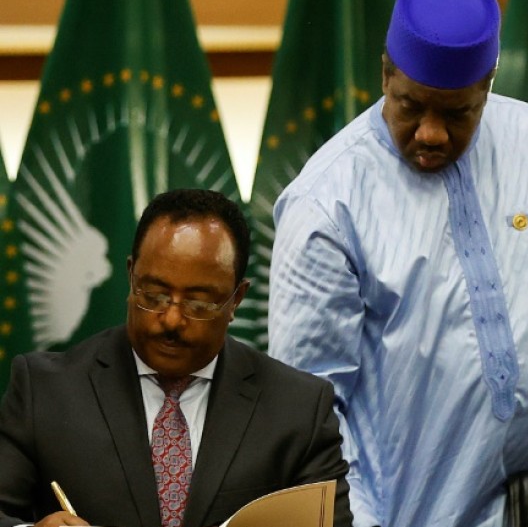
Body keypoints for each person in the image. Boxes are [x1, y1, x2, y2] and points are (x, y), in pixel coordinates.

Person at [266, 0, 528, 525]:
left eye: (458, 113)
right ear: (385, 74)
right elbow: (312, 405)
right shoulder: (327, 201)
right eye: (410, 106)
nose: (431, 133)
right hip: (410, 514)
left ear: (487, 85)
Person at [0, 189, 352, 527]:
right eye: (153, 295)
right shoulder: (45, 391)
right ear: (130, 276)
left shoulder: (298, 411)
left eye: (198, 303)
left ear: (236, 300)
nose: (171, 319)